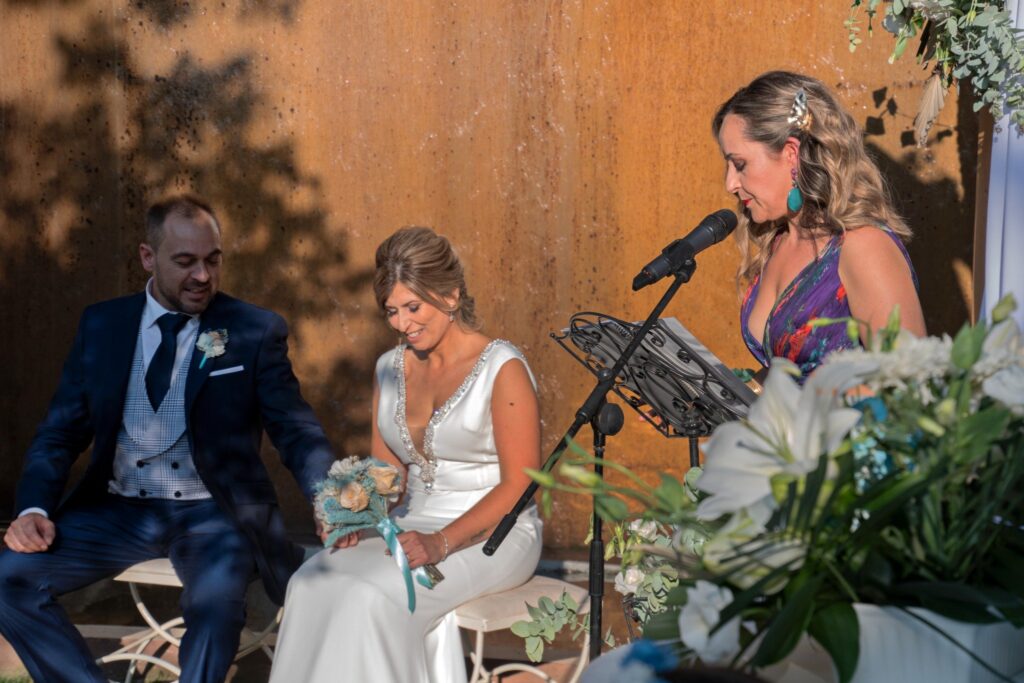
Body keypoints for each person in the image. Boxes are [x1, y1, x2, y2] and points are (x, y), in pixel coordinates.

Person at [0, 195, 335, 683]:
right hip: (117, 511)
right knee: (9, 579)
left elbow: (294, 428)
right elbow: (60, 432)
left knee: (217, 606)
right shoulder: (102, 325)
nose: (203, 276)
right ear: (147, 257)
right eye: (186, 262)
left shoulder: (253, 330)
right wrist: (33, 511)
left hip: (211, 515)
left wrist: (329, 496)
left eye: (212, 260)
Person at [269, 226, 543, 683]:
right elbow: (387, 473)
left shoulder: (503, 368)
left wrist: (442, 543)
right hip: (414, 522)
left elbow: (521, 485)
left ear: (451, 296)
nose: (401, 324)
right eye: (391, 311)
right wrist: (350, 512)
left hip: (498, 531)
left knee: (371, 596)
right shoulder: (389, 369)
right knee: (309, 583)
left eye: (413, 307)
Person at [713, 71, 926, 379]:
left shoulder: (864, 248)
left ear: (790, 154)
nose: (730, 183)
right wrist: (703, 396)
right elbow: (789, 377)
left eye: (740, 164)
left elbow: (911, 383)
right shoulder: (778, 242)